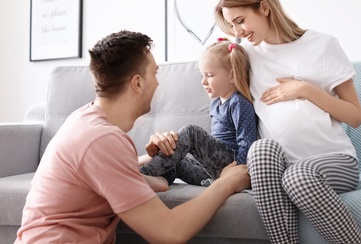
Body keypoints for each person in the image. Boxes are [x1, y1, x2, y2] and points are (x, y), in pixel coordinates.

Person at [15, 30, 250, 244]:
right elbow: (170, 232)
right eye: (155, 73)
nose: (158, 82)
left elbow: (103, 176)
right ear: (137, 83)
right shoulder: (103, 141)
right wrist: (226, 182)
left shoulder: (84, 120)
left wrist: (152, 160)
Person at [215, 0, 361, 243]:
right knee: (260, 150)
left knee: (298, 177)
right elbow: (218, 90)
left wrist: (305, 89)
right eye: (232, 26)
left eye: (241, 21)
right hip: (279, 167)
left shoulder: (322, 45)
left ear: (264, 7)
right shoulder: (245, 56)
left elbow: (355, 116)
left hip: (334, 161)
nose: (238, 32)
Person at [140, 38, 257, 188]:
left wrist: (233, 174)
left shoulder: (238, 103)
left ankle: (143, 174)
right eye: (202, 75)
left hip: (231, 166)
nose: (203, 81)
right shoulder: (216, 103)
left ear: (232, 76)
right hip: (209, 170)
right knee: (175, 161)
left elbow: (247, 143)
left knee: (191, 132)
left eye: (209, 75)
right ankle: (153, 182)